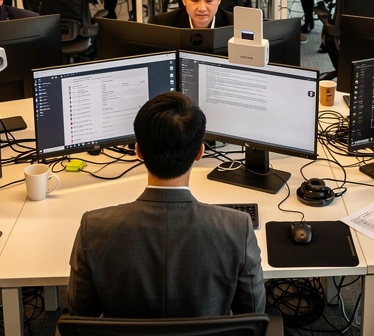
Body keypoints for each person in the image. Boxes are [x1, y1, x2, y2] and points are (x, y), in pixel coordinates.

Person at [68, 92, 264, 317]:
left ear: (138, 151)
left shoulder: (93, 228)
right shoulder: (237, 227)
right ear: (200, 152)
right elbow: (254, 317)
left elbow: (79, 319)